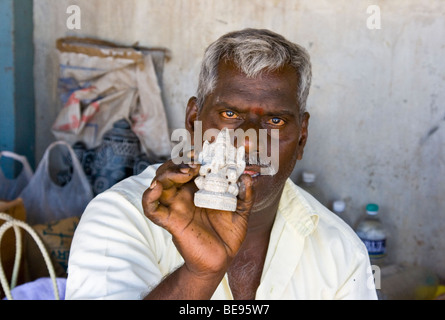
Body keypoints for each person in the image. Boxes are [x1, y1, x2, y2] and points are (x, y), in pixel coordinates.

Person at [65, 28, 378, 300]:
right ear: (193, 120)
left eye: (275, 120)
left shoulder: (341, 251)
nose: (250, 140)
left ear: (302, 139)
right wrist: (200, 273)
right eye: (230, 115)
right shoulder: (120, 217)